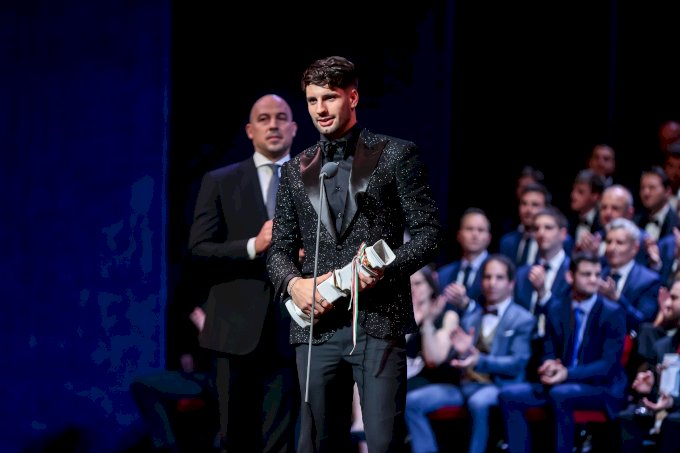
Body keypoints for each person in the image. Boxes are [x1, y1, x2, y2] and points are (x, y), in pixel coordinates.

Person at [266, 56, 443, 453]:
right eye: (312, 100)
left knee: (382, 442)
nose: (320, 109)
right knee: (315, 443)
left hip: (378, 321)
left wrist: (385, 270)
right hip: (318, 327)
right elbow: (278, 250)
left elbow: (430, 234)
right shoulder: (295, 170)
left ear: (353, 96)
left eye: (329, 97)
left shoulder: (396, 154)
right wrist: (293, 285)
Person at [188, 94, 300, 453]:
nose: (273, 125)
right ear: (250, 131)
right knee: (234, 439)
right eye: (264, 119)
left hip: (291, 330)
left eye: (281, 117)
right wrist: (254, 244)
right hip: (233, 331)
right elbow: (199, 250)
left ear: (294, 128)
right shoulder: (220, 181)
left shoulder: (316, 181)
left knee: (281, 442)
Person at [498, 251, 628, 453]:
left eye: (597, 274)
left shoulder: (612, 312)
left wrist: (567, 374)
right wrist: (548, 366)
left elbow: (607, 365)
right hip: (561, 382)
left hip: (601, 387)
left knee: (560, 394)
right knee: (509, 395)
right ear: (570, 276)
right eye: (586, 274)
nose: (593, 280)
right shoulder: (557, 308)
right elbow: (548, 350)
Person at [406, 254, 535, 453]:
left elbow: (518, 363)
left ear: (511, 283)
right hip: (465, 385)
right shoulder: (471, 317)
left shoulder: (522, 318)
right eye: (487, 277)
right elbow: (449, 359)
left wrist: (479, 360)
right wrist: (461, 354)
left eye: (499, 278)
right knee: (411, 402)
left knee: (478, 401)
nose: (492, 283)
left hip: (499, 385)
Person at [130, 307, 218, 453]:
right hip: (200, 378)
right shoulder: (204, 304)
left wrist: (208, 330)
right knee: (141, 386)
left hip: (228, 383)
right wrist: (186, 353)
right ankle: (165, 447)